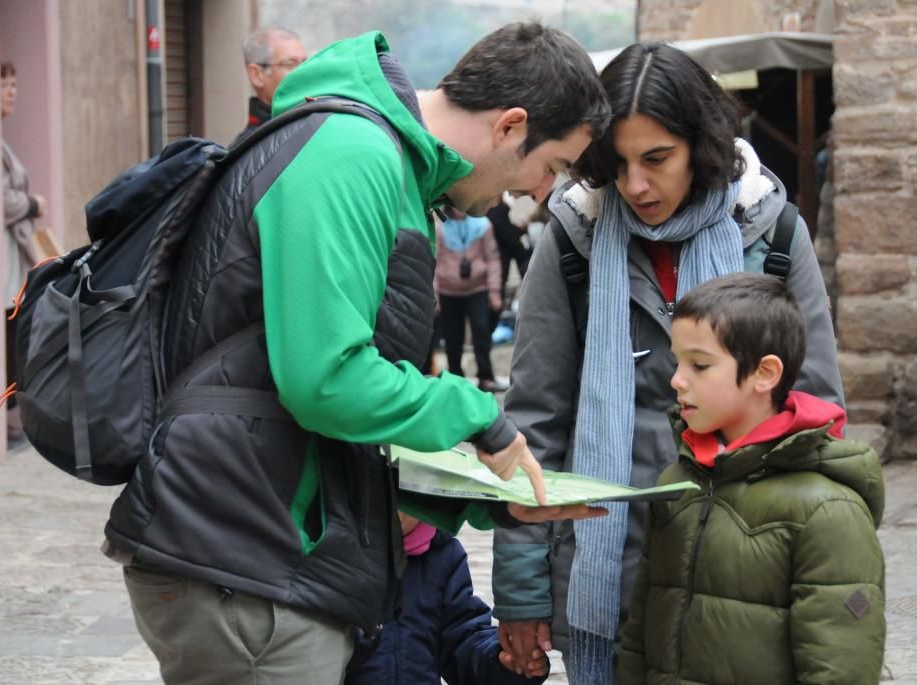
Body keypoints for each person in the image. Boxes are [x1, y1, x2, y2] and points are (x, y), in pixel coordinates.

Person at [103, 23, 611, 685]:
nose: (541, 191)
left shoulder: (391, 164)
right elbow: (325, 380)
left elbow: (338, 424)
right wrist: (473, 412)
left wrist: (484, 501)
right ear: (511, 126)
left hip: (265, 552)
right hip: (243, 560)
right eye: (552, 167)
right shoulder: (355, 153)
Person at [492, 41, 845, 684]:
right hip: (608, 577)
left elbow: (818, 414)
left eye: (657, 159)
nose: (635, 185)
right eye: (618, 163)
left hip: (746, 587)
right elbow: (531, 427)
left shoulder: (773, 239)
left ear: (701, 145)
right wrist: (520, 592)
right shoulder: (574, 240)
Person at [618, 272, 885, 683]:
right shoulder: (678, 482)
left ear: (765, 373)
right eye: (677, 362)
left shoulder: (828, 511)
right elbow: (640, 633)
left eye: (699, 365)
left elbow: (839, 666)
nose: (676, 380)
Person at [345, 512, 548, 684]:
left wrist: (502, 659)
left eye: (403, 493)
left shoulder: (443, 554)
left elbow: (461, 639)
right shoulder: (331, 559)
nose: (393, 505)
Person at [0, 61, 45, 449]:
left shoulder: (1, 141)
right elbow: (0, 199)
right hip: (2, 256)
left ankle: (12, 422)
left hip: (13, 253)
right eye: (4, 84)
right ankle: (8, 424)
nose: (11, 92)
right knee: (7, 331)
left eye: (15, 83)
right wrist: (33, 203)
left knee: (13, 331)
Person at [434, 209, 506, 393]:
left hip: (478, 289)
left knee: (481, 329)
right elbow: (436, 260)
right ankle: (456, 376)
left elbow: (492, 259)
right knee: (452, 337)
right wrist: (434, 295)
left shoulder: (483, 226)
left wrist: (494, 293)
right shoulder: (441, 228)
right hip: (448, 291)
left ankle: (486, 376)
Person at [231, 28, 308, 145]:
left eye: (305, 63)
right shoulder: (247, 148)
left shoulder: (316, 118)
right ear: (257, 74)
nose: (303, 72)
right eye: (290, 64)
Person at [487, 194, 531, 330]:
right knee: (493, 304)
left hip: (494, 264)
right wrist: (520, 231)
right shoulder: (497, 211)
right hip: (497, 265)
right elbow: (509, 236)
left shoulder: (491, 212)